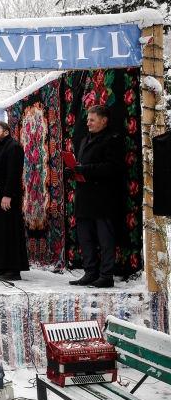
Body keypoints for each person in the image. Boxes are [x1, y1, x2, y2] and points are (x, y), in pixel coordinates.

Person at [66, 105, 125, 288]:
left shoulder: (113, 139)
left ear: (104, 120)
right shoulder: (85, 139)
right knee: (85, 237)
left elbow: (114, 167)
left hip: (103, 198)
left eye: (92, 120)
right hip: (85, 196)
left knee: (105, 238)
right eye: (88, 119)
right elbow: (83, 164)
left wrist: (86, 170)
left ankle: (106, 275)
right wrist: (73, 170)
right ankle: (90, 272)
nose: (88, 123)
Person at [0, 121, 29, 281]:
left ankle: (12, 269)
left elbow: (13, 173)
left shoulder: (12, 147)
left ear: (6, 132)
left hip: (5, 199)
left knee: (8, 234)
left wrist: (7, 194)